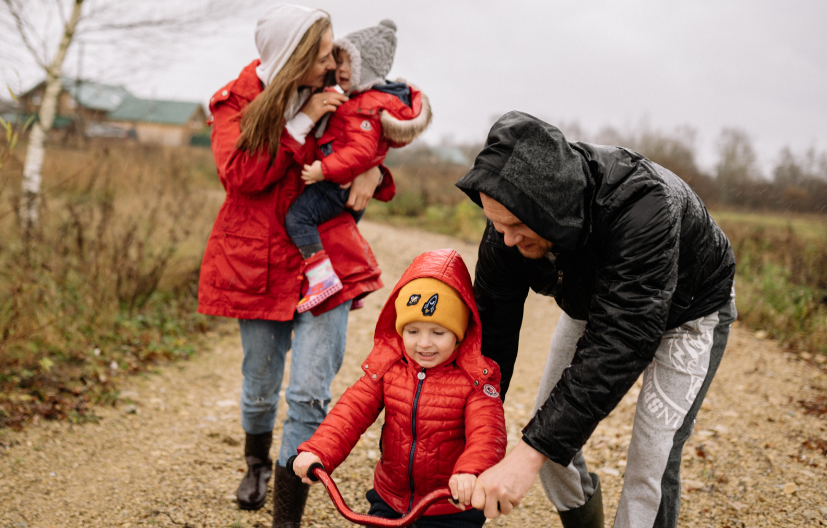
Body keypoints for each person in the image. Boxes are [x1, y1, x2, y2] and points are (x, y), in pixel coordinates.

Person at [454, 112, 737, 528]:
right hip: (598, 303)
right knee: (550, 445)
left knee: (649, 463)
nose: (507, 240)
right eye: (497, 226)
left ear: (550, 207)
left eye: (515, 226)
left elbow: (621, 341)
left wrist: (528, 455)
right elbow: (491, 334)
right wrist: (471, 438)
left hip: (690, 309)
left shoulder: (644, 205)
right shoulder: (506, 228)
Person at [197, 5, 394, 527]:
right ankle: (257, 463)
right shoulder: (235, 102)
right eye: (324, 52)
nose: (334, 61)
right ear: (295, 56)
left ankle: (288, 516)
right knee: (260, 381)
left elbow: (370, 129)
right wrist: (302, 122)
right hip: (255, 264)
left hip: (326, 263)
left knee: (310, 391)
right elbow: (241, 175)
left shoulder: (338, 90)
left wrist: (376, 170)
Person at [293, 248, 507, 528]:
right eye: (413, 331)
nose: (424, 343)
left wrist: (471, 472)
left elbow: (487, 435)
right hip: (391, 497)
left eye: (438, 332)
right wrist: (319, 450)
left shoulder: (475, 379)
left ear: (459, 332)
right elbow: (351, 412)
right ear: (399, 330)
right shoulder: (389, 368)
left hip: (450, 504)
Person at [285, 19, 432, 312]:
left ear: (368, 68)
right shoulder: (357, 100)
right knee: (335, 231)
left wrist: (323, 170)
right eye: (338, 60)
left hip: (335, 184)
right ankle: (353, 287)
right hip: (342, 182)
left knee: (298, 218)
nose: (340, 68)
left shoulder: (363, 106)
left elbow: (361, 153)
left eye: (349, 62)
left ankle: (322, 280)